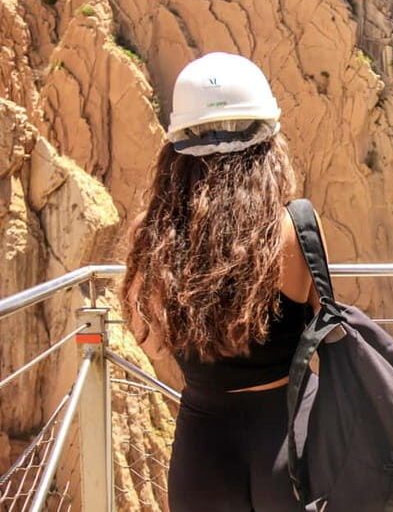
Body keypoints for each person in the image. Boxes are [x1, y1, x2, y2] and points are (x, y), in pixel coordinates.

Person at [121, 52, 321, 511]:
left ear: (176, 150)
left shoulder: (158, 239)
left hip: (203, 445)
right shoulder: (295, 226)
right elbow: (319, 330)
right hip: (289, 435)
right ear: (268, 143)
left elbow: (152, 345)